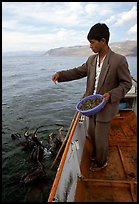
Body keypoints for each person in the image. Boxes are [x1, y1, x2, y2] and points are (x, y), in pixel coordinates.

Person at [51, 23, 132, 171]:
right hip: (91, 105)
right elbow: (77, 72)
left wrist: (110, 95)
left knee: (101, 138)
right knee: (92, 133)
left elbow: (126, 84)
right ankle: (96, 155)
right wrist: (60, 75)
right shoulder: (91, 60)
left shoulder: (118, 60)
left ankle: (102, 162)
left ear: (103, 41)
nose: (90, 46)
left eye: (92, 42)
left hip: (106, 106)